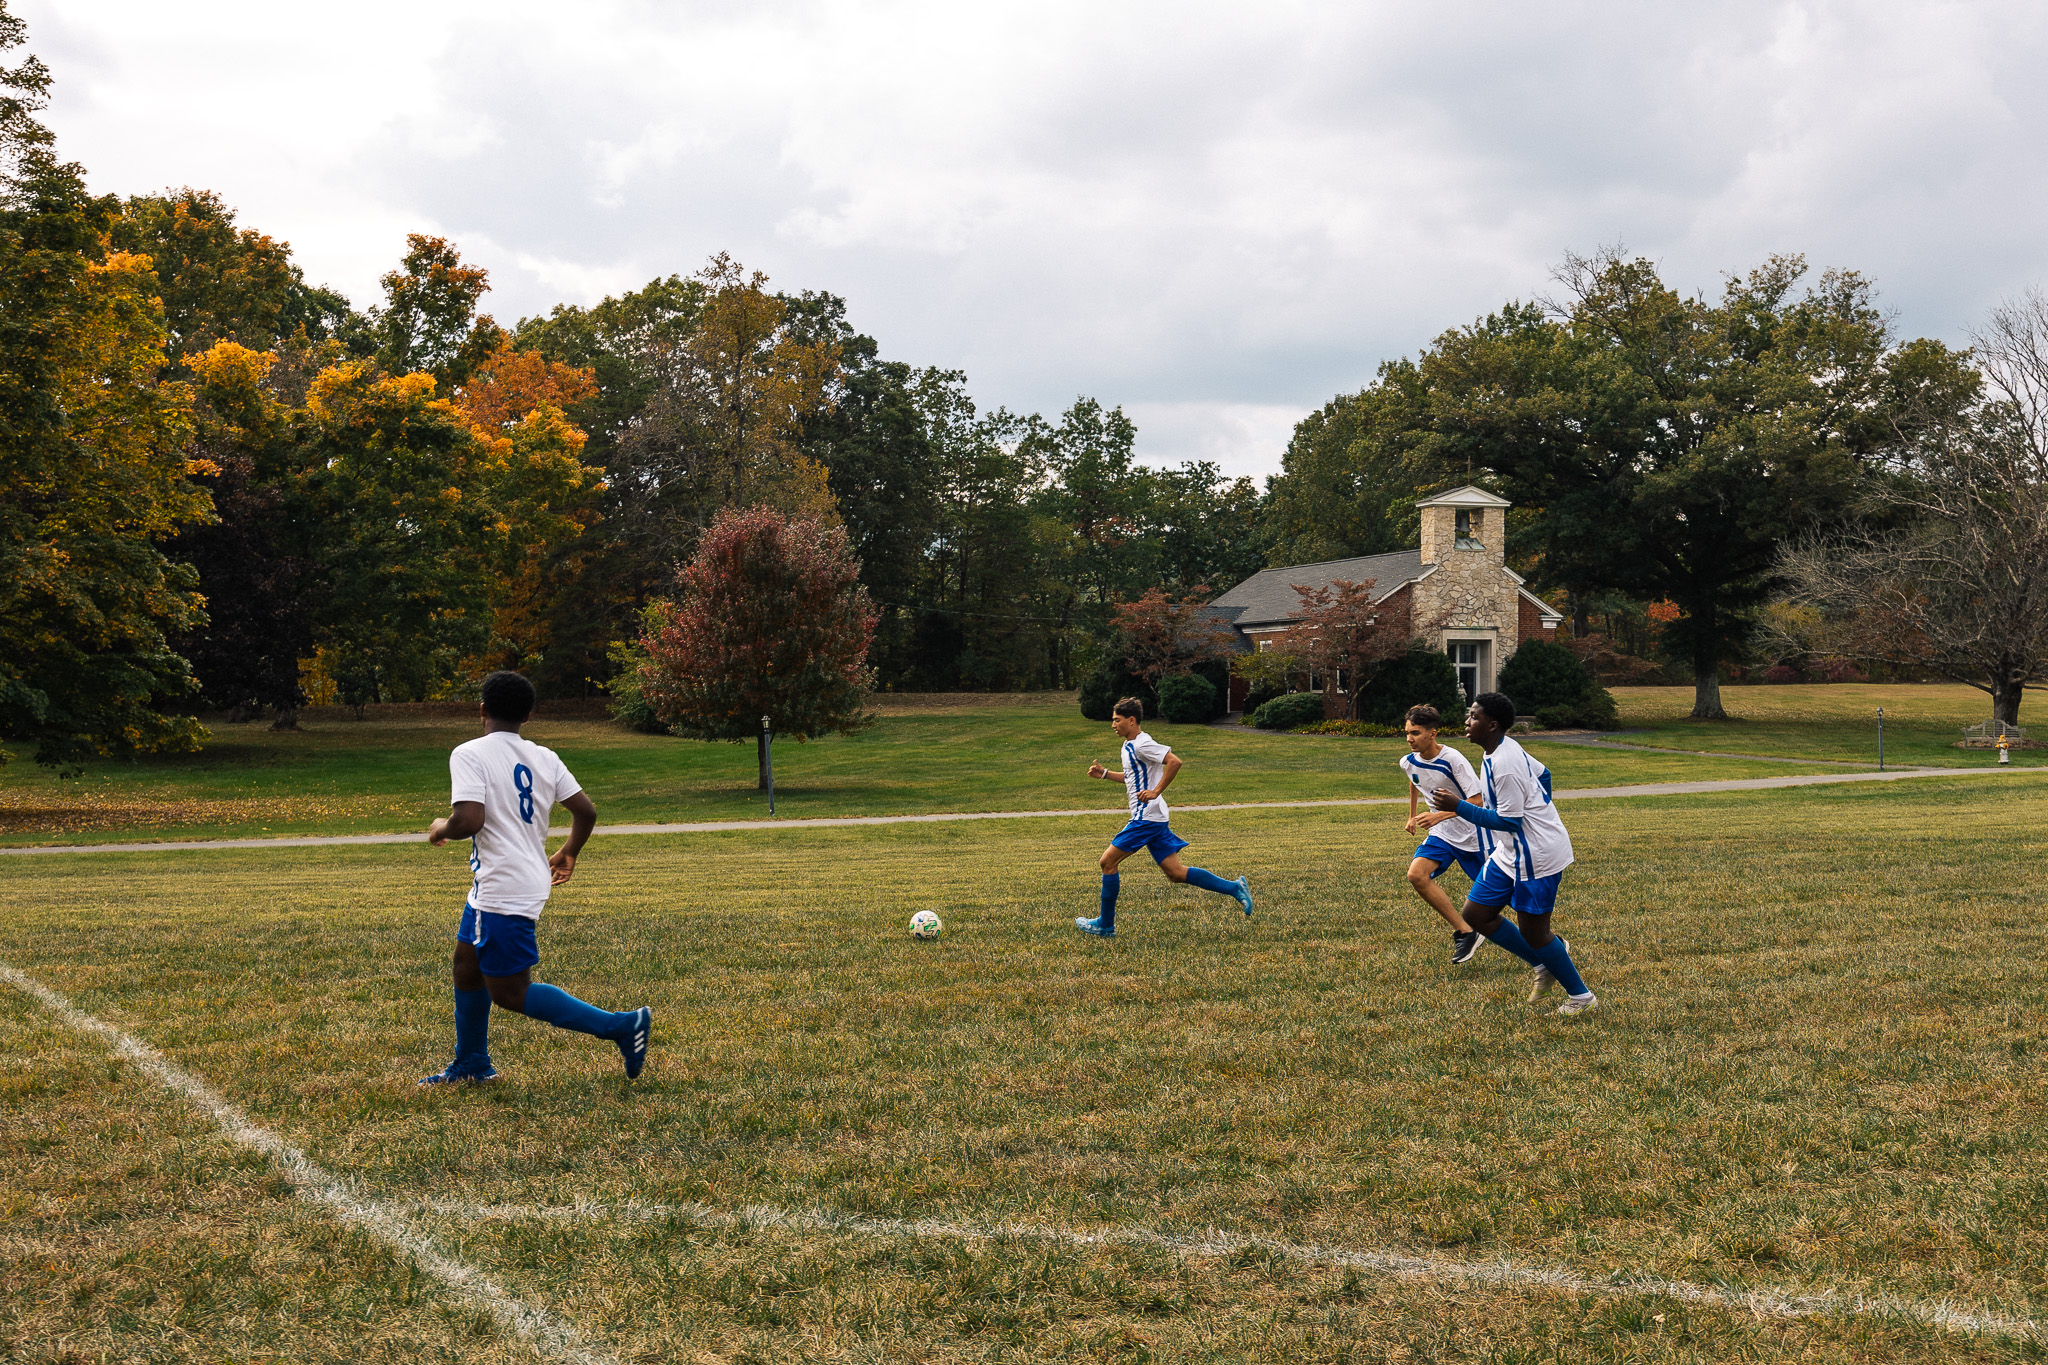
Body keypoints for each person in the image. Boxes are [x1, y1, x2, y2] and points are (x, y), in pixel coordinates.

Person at [419, 670, 652, 1085]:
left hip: (503, 886)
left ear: (482, 710)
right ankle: (472, 1062)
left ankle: (622, 1025)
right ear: (528, 714)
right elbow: (586, 811)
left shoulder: (469, 752)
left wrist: (440, 827)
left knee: (510, 993)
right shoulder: (544, 756)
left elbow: (470, 819)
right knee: (466, 966)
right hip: (508, 880)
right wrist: (569, 851)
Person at [1429, 691, 1597, 1015]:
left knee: (1535, 933)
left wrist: (1458, 806)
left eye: (1474, 717)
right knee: (1476, 915)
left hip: (1537, 857)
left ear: (1492, 725)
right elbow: (1544, 773)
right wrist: (1540, 806)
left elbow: (1508, 821)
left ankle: (1581, 997)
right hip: (1511, 852)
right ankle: (1544, 961)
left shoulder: (1504, 763)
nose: (1467, 721)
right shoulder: (1498, 749)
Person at [1075, 697, 1254, 938]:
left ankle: (1105, 924)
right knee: (1176, 873)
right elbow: (1132, 778)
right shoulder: (1130, 745)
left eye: (1116, 720)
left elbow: (1174, 762)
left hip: (1146, 818)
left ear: (1131, 720)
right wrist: (1105, 774)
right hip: (1154, 818)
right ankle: (1234, 887)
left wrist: (1156, 791)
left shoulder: (1142, 744)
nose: (1113, 725)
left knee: (1107, 862)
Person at [1397, 704, 1487, 965]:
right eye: (1407, 732)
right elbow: (1416, 782)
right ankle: (1466, 931)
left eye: (1415, 733)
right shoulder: (1407, 761)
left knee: (1507, 897)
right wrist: (1412, 815)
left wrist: (1438, 814)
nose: (1409, 738)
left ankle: (1548, 941)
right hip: (1443, 834)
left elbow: (1478, 800)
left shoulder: (1453, 759)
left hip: (1475, 835)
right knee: (1416, 875)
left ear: (1432, 734)